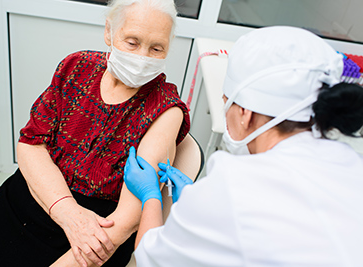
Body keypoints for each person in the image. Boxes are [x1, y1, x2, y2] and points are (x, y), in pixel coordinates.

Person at [0, 0, 190, 266]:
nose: (142, 57)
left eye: (156, 48)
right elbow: (30, 144)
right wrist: (69, 213)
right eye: (132, 42)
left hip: (97, 231)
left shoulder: (164, 110)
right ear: (109, 31)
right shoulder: (77, 67)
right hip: (33, 194)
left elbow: (127, 220)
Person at [123, 26, 363, 266]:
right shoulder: (351, 162)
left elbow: (150, 256)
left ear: (245, 113)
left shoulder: (234, 185)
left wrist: (151, 196)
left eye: (226, 103)